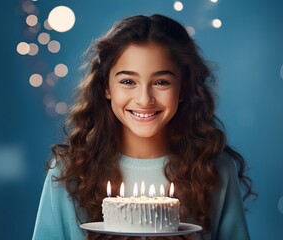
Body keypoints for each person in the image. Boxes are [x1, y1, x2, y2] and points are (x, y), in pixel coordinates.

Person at [32, 14, 256, 240]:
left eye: (161, 82)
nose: (144, 99)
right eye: (128, 82)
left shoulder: (214, 170)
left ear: (184, 87)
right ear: (106, 87)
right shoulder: (69, 170)